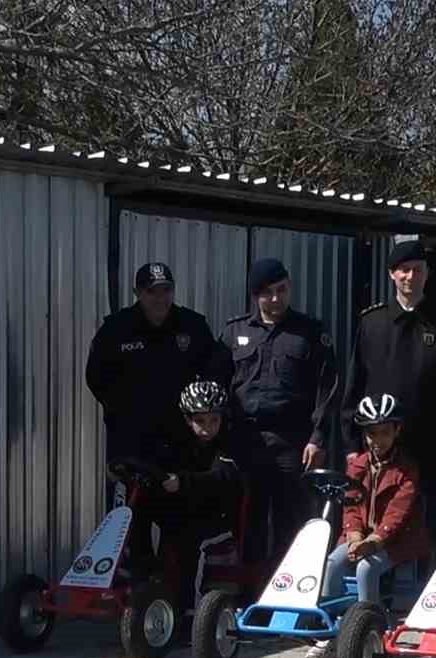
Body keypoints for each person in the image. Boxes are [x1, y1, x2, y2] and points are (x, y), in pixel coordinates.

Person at [344, 239, 436, 568]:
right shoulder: (373, 323)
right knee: (377, 526)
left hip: (429, 446)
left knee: (431, 530)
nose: (410, 276)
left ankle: (429, 600)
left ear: (427, 274)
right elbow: (355, 384)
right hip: (380, 448)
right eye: (403, 270)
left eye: (417, 270)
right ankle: (376, 610)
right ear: (391, 274)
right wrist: (350, 444)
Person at [211, 257, 340, 565]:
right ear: (256, 295)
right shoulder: (234, 333)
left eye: (281, 290)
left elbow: (328, 390)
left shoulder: (310, 333)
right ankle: (249, 595)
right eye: (268, 293)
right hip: (245, 443)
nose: (275, 298)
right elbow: (217, 386)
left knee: (290, 523)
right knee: (247, 522)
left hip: (291, 442)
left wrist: (317, 438)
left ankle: (285, 596)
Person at [305, 395, 430, 658]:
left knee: (366, 568)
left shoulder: (406, 469)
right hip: (360, 537)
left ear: (397, 431)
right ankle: (333, 632)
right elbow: (350, 504)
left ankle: (371, 633)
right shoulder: (357, 464)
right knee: (332, 564)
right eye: (372, 433)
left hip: (397, 541)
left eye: (385, 432)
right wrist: (353, 536)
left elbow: (399, 514)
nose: (378, 440)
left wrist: (373, 541)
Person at [85, 262, 218, 470]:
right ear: (137, 292)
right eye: (151, 291)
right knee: (130, 501)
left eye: (166, 290)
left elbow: (213, 371)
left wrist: (200, 415)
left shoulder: (193, 326)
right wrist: (122, 411)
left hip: (181, 438)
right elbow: (96, 376)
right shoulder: (116, 328)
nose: (160, 298)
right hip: (131, 439)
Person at [133, 380, 244, 617]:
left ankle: (188, 612)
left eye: (214, 420)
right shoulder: (176, 445)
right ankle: (143, 585)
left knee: (187, 542)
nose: (207, 428)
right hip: (181, 514)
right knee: (137, 519)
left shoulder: (228, 445)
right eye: (200, 421)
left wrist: (181, 482)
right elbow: (158, 467)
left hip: (217, 519)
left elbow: (221, 478)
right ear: (187, 419)